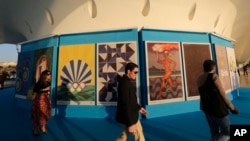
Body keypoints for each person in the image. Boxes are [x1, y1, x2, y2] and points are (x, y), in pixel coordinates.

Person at [197, 60, 239, 141]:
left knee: (214, 130)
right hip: (218, 109)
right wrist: (232, 107)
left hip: (206, 108)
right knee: (227, 132)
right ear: (213, 67)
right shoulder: (214, 77)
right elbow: (222, 93)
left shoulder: (199, 78)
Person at [115, 62, 147, 141]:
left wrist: (139, 108)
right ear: (128, 71)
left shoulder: (126, 82)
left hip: (131, 116)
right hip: (131, 117)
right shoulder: (125, 84)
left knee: (124, 136)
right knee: (139, 137)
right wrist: (130, 124)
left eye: (137, 72)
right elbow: (126, 104)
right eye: (135, 72)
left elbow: (131, 101)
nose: (136, 74)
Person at [31, 70, 52, 136]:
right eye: (48, 74)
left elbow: (48, 92)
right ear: (44, 75)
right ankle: (35, 129)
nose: (49, 75)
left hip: (46, 100)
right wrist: (44, 89)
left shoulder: (49, 82)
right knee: (37, 114)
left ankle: (42, 127)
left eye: (50, 74)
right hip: (39, 101)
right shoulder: (39, 83)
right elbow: (35, 91)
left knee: (45, 114)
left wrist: (49, 98)